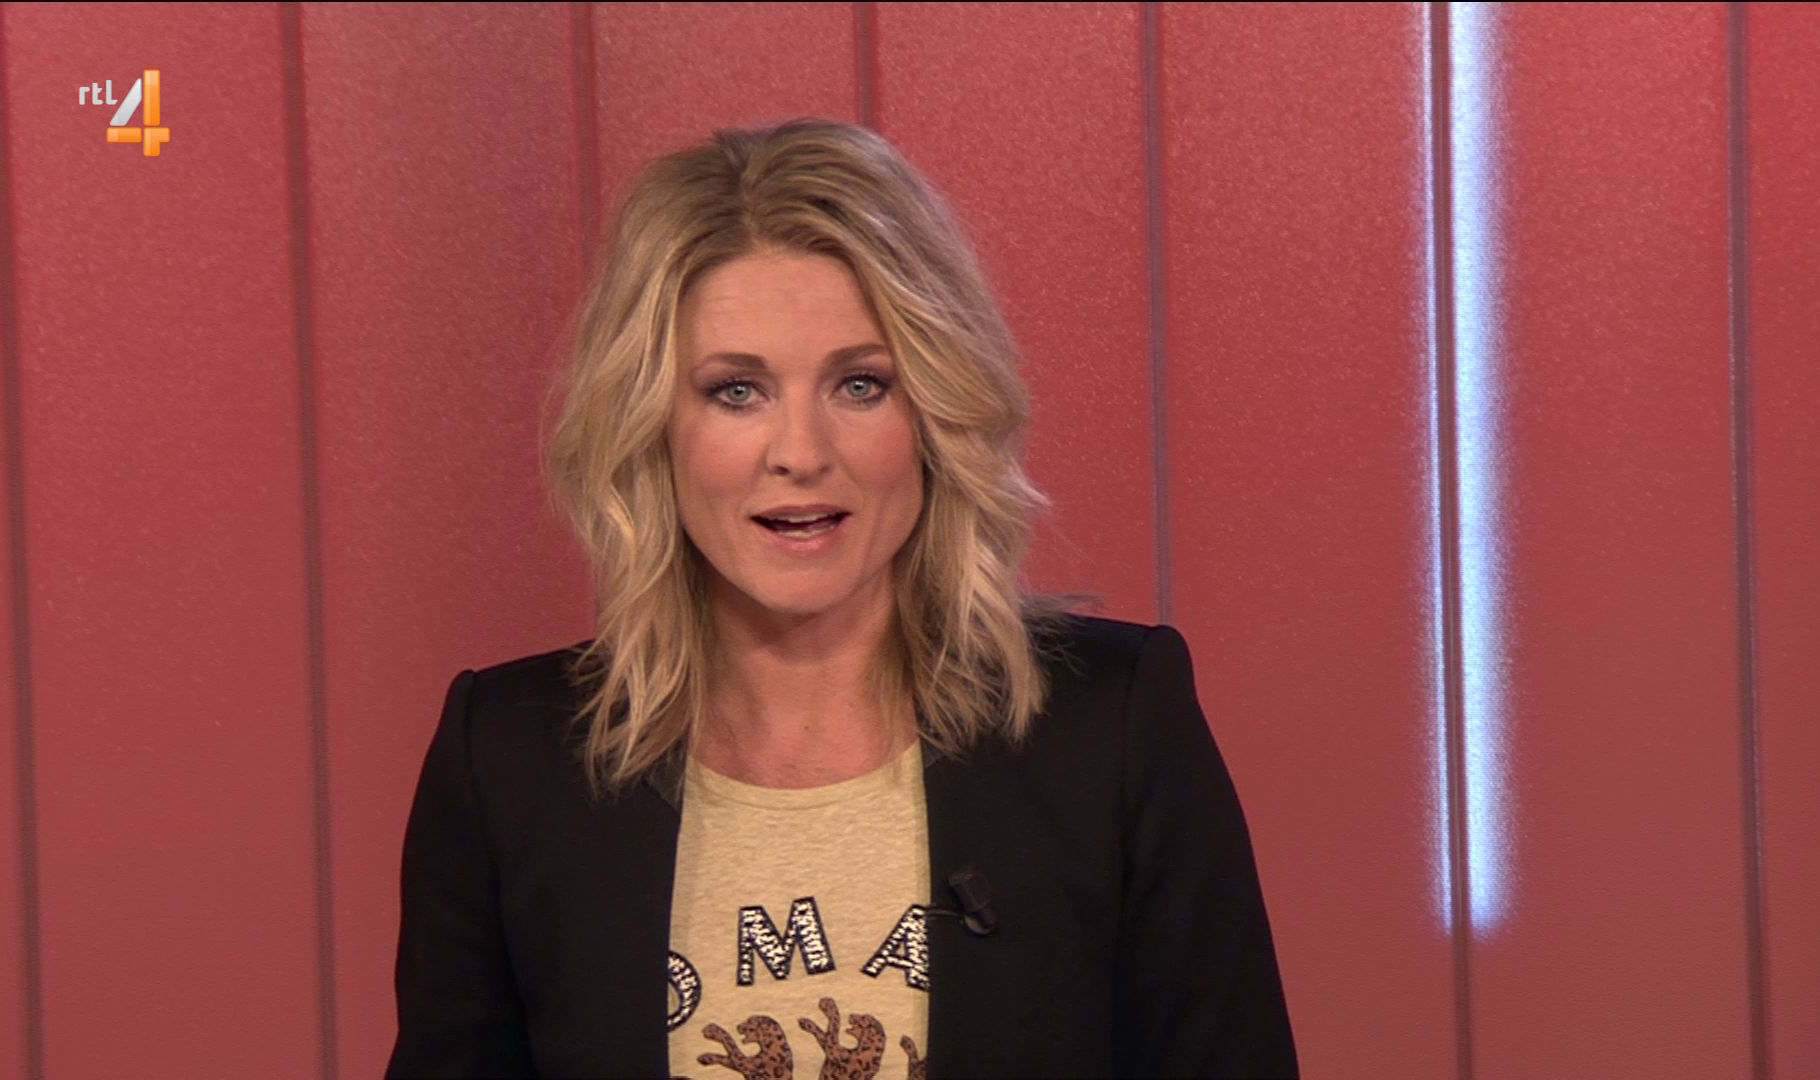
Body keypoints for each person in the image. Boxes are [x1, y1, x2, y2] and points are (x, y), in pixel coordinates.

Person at [385, 118, 1296, 1080]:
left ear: (934, 411)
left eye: (860, 385)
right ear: (652, 423)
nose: (801, 452)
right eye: (736, 391)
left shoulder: (1114, 729)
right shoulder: (507, 761)